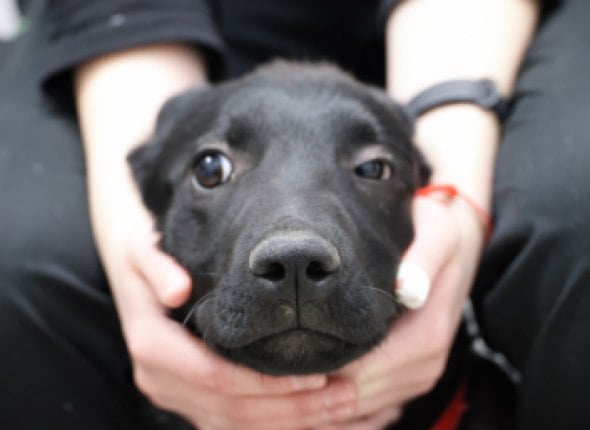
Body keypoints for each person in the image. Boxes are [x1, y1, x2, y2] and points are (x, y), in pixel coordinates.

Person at [1, 0, 588, 429]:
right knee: (23, 263)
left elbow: (448, 172)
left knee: (573, 207)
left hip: (475, 23)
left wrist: (457, 197)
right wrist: (134, 205)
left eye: (372, 168)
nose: (295, 251)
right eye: (214, 169)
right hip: (150, 28)